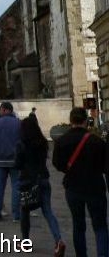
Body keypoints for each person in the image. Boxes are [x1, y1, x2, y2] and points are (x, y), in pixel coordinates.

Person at [53, 107, 107, 257]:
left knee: (78, 225)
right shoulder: (97, 142)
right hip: (95, 187)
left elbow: (57, 164)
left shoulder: (62, 141)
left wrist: (69, 169)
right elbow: (105, 166)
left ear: (71, 121)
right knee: (100, 226)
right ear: (86, 121)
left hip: (73, 187)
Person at [16, 116, 65, 257]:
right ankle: (58, 240)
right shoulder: (42, 142)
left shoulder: (21, 144)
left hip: (27, 181)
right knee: (48, 211)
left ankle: (25, 242)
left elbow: (17, 164)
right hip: (43, 178)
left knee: (24, 211)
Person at [0, 101, 21, 222]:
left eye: (1, 110)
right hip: (15, 160)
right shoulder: (19, 124)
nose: (0, 112)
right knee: (16, 187)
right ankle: (16, 215)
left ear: (5, 110)